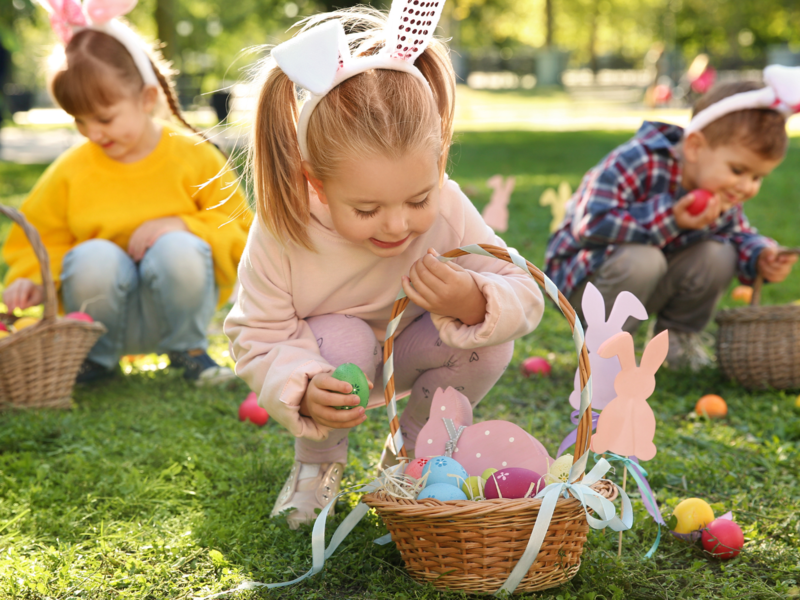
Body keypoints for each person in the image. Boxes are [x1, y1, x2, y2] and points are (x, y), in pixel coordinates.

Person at [224, 7, 545, 529]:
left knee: (489, 339)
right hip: (330, 358)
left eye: (417, 198)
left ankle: (415, 457)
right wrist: (301, 385)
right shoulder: (285, 227)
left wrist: (471, 299)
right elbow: (257, 333)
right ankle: (319, 464)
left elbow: (524, 290)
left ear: (439, 160)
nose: (397, 226)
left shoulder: (447, 204)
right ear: (318, 183)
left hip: (417, 346)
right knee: (345, 338)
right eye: (367, 210)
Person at [1, 2, 250, 385]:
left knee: (178, 247)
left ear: (147, 99)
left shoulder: (194, 155)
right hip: (98, 319)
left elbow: (241, 229)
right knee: (92, 255)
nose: (93, 133)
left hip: (173, 311)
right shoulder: (71, 169)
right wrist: (31, 277)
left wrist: (182, 225)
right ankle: (96, 361)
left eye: (104, 118)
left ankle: (189, 350)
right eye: (79, 120)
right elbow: (40, 236)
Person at [545, 69, 798, 371]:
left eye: (758, 177)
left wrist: (760, 255)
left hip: (649, 284)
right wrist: (671, 218)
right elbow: (590, 223)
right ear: (695, 147)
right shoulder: (638, 160)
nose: (746, 186)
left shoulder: (721, 190)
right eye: (738, 170)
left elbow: (736, 235)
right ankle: (603, 354)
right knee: (644, 259)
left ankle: (677, 342)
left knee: (718, 253)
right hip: (584, 284)